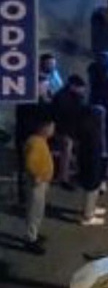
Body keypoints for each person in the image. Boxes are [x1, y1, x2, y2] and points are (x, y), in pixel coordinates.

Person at [15, 75, 54, 205]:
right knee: (28, 168)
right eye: (44, 86)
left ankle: (26, 198)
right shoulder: (33, 103)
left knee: (27, 168)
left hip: (31, 138)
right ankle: (27, 199)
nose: (46, 88)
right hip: (29, 139)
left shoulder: (28, 101)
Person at [23, 119, 55, 253]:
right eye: (52, 128)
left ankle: (34, 233)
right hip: (37, 183)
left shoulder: (40, 141)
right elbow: (31, 163)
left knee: (38, 210)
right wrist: (37, 175)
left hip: (42, 182)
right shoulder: (36, 143)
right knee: (34, 211)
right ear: (44, 129)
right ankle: (31, 239)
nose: (53, 131)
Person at [52, 74, 88, 189]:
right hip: (62, 130)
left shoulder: (76, 96)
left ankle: (76, 171)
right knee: (66, 148)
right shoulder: (62, 97)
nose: (82, 90)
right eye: (80, 88)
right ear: (72, 86)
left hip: (73, 129)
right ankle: (63, 178)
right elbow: (63, 116)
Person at [78, 105, 108, 226]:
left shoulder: (90, 127)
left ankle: (91, 209)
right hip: (92, 162)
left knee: (94, 187)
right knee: (92, 188)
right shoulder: (92, 131)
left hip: (92, 161)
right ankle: (88, 216)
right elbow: (94, 149)